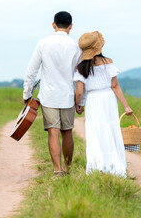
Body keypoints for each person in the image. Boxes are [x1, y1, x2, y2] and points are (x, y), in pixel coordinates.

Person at [23, 11, 82, 176]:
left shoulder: (43, 43)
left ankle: (58, 170)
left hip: (49, 96)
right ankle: (68, 169)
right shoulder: (77, 46)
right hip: (69, 96)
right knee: (67, 131)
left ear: (53, 25)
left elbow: (31, 71)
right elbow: (81, 76)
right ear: (71, 26)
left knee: (53, 131)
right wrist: (81, 100)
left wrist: (27, 93)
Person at [74, 31, 133, 177]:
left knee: (95, 132)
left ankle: (97, 166)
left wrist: (79, 104)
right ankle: (115, 167)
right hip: (108, 99)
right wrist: (126, 106)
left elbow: (80, 92)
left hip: (93, 100)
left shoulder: (81, 67)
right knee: (111, 130)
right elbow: (115, 86)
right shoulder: (108, 62)